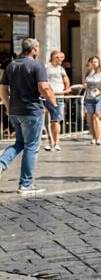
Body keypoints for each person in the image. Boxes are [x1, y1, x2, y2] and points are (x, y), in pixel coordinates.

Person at [0, 38, 56, 194]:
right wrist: (53, 103)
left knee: (19, 143)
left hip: (15, 111)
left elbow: (3, 88)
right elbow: (44, 87)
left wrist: (8, 106)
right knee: (31, 146)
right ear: (35, 50)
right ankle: (26, 184)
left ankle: (1, 163)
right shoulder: (37, 66)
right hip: (32, 111)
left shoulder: (12, 65)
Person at [42, 50, 69, 152]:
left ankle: (56, 142)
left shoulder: (61, 69)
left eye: (62, 57)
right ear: (52, 57)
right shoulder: (45, 67)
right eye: (57, 57)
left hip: (58, 96)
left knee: (56, 120)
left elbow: (66, 79)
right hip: (46, 96)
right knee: (45, 120)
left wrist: (66, 89)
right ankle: (49, 141)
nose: (60, 60)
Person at [83, 57, 101, 146]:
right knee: (91, 118)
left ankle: (99, 138)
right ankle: (94, 136)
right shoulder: (89, 73)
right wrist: (85, 86)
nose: (94, 64)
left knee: (98, 116)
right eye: (92, 62)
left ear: (99, 63)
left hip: (99, 97)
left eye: (96, 62)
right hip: (89, 97)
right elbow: (87, 83)